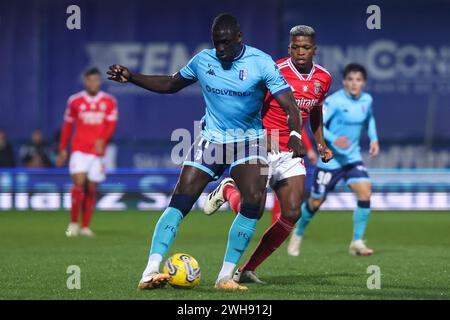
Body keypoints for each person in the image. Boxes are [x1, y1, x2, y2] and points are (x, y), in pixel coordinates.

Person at [107, 13, 305, 291]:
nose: (220, 48)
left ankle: (225, 276)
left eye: (225, 42)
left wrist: (295, 134)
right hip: (210, 140)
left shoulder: (261, 63)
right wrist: (132, 77)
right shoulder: (203, 60)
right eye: (216, 43)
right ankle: (150, 271)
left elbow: (291, 106)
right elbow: (169, 84)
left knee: (254, 202)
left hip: (248, 142)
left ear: (239, 38)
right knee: (181, 199)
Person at [203, 25, 333, 284]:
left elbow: (315, 112)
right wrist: (262, 134)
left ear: (314, 49)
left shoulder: (324, 78)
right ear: (289, 48)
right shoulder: (275, 70)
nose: (300, 52)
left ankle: (247, 270)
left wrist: (320, 143)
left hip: (291, 152)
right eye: (295, 47)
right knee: (256, 209)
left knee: (293, 212)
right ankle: (228, 191)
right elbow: (250, 104)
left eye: (305, 47)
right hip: (262, 145)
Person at [288, 63, 380, 257]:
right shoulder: (333, 102)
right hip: (331, 161)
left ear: (363, 83)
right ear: (345, 82)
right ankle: (298, 232)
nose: (354, 84)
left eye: (359, 80)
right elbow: (318, 126)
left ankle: (357, 241)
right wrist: (333, 139)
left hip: (352, 158)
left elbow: (369, 119)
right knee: (315, 202)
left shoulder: (367, 100)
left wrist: (374, 139)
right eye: (350, 79)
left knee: (365, 192)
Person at [56, 67, 118, 237]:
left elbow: (111, 125)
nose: (93, 83)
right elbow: (67, 126)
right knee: (79, 183)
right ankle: (73, 223)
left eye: (96, 80)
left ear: (100, 82)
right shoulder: (75, 101)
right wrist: (62, 148)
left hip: (97, 153)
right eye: (90, 80)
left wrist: (102, 140)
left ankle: (85, 226)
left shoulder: (109, 101)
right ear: (85, 82)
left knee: (91, 188)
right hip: (79, 149)